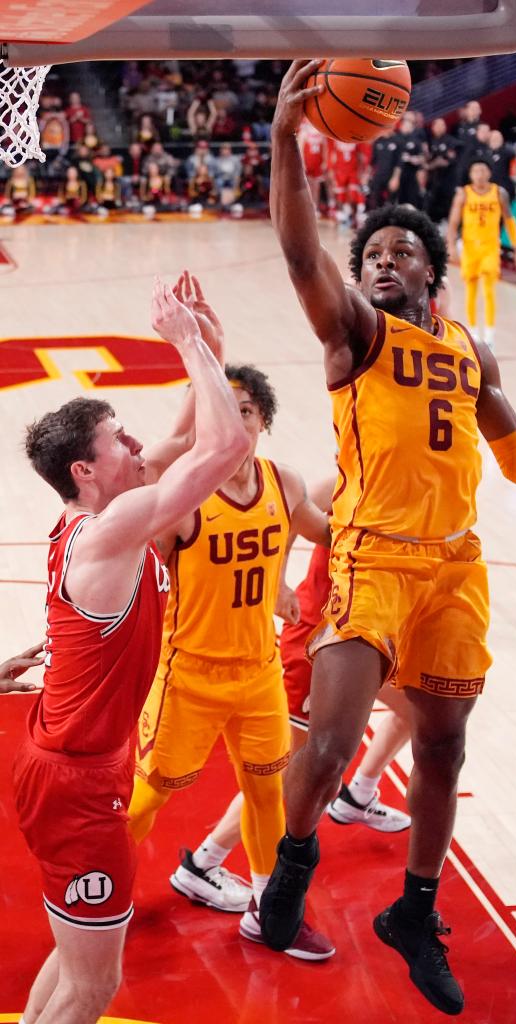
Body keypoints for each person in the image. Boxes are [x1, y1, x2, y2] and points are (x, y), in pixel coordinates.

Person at [258, 59, 516, 1017]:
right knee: (332, 742)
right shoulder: (352, 334)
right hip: (370, 556)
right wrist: (285, 138)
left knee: (443, 750)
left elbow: (515, 458)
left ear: (432, 273)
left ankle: (414, 908)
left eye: (402, 252)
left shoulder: (467, 352)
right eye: (372, 256)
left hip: (454, 569)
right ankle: (290, 864)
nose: (383, 262)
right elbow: (300, 257)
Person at [13, 277, 249, 1024]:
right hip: (76, 785)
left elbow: (186, 439)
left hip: (74, 763)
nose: (141, 444)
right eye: (121, 438)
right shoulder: (110, 534)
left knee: (73, 956)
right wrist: (182, 342)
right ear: (85, 471)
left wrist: (208, 348)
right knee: (95, 987)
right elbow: (226, 445)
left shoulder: (105, 516)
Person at [128, 299, 333, 958]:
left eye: (245, 409)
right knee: (145, 797)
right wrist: (201, 359)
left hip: (258, 674)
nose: (234, 417)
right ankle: (93, 892)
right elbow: (145, 490)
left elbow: (326, 534)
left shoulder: (283, 482)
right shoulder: (183, 498)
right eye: (225, 407)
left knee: (266, 789)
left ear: (264, 422)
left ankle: (269, 910)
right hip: (188, 674)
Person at [279, 476, 411, 831]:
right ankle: (205, 859)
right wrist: (278, 582)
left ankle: (359, 796)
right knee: (303, 772)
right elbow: (290, 519)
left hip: (365, 637)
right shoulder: (337, 484)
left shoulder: (407, 486)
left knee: (417, 711)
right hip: (316, 637)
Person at [447, 158, 516, 350]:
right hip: (470, 247)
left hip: (490, 246)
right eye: (476, 171)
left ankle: (490, 336)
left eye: (483, 170)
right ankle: (473, 333)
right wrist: (450, 245)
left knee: (489, 290)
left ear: (489, 173)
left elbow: (509, 221)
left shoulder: (499, 193)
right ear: (471, 174)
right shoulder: (463, 194)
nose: (480, 174)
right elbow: (453, 222)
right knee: (471, 291)